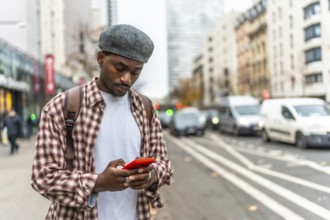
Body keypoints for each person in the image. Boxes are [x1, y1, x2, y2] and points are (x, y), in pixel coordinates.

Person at [31, 24, 173, 220]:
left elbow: (164, 164)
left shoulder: (146, 109)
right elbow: (43, 177)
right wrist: (98, 182)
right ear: (101, 59)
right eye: (120, 68)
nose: (126, 78)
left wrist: (151, 175)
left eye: (135, 72)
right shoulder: (62, 107)